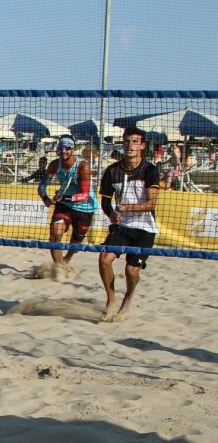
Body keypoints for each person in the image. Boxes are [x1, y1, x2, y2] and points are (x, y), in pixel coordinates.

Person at [98, 126, 160, 322]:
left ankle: (128, 296)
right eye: (127, 141)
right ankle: (111, 299)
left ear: (142, 146)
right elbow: (106, 201)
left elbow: (151, 204)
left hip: (144, 228)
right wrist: (110, 214)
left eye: (135, 142)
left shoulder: (150, 170)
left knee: (131, 271)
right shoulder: (112, 170)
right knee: (104, 259)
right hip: (122, 226)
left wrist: (128, 208)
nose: (130, 145)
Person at [38, 137, 98, 270]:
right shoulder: (54, 164)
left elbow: (85, 195)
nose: (64, 151)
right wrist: (45, 198)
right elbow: (41, 187)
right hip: (65, 205)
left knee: (75, 244)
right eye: (61, 148)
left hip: (85, 207)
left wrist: (64, 197)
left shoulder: (83, 166)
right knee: (55, 234)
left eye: (67, 148)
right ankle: (59, 269)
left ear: (74, 149)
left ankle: (66, 259)